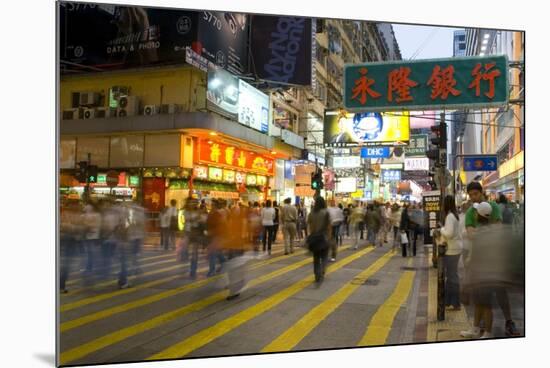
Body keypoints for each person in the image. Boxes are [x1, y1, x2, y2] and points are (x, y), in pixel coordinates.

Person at [461, 181, 520, 338]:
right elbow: (472, 233)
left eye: (476, 194)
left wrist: (481, 232)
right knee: (480, 295)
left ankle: (508, 321)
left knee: (501, 292)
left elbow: (497, 230)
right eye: (471, 194)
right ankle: (480, 325)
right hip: (479, 258)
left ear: (482, 192)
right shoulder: (469, 212)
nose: (473, 197)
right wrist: (487, 231)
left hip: (495, 257)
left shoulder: (492, 207)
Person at [440, 195, 463, 311]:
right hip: (456, 248)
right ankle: (449, 301)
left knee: (452, 276)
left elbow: (448, 233)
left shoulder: (449, 216)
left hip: (452, 250)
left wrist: (441, 229)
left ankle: (455, 302)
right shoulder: (455, 215)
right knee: (451, 276)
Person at [307, 197, 332, 284]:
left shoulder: (311, 213)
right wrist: (329, 237)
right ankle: (322, 271)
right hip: (324, 237)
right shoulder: (326, 213)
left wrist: (311, 235)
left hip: (314, 238)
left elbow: (309, 225)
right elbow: (329, 226)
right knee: (324, 257)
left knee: (316, 258)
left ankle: (317, 275)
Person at [206, 200, 226, 277]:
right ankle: (225, 264)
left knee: (212, 253)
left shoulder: (218, 214)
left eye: (213, 205)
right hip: (212, 236)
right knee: (217, 253)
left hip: (217, 236)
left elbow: (221, 226)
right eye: (212, 205)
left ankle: (212, 271)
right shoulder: (211, 214)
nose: (212, 206)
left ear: (216, 206)